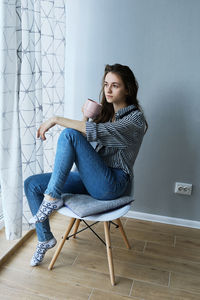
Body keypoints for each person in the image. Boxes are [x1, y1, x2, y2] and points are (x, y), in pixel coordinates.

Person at [24, 63, 148, 266]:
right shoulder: (108, 115)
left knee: (68, 133)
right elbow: (83, 142)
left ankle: (52, 197)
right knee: (32, 184)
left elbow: (91, 134)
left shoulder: (135, 120)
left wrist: (55, 119)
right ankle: (45, 238)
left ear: (127, 89)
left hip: (111, 184)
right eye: (106, 84)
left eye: (115, 85)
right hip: (91, 178)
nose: (108, 89)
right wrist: (86, 116)